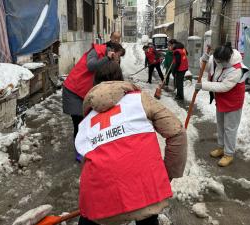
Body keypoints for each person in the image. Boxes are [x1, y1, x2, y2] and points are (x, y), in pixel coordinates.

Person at [75, 61, 187, 225]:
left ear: (95, 82)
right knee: (147, 215)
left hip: (99, 201)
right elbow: (177, 132)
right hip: (145, 189)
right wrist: (167, 174)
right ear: (120, 79)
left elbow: (84, 161)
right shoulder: (139, 100)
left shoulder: (86, 120)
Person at [62, 42, 125, 161]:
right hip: (73, 91)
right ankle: (79, 151)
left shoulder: (107, 60)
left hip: (84, 92)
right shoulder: (97, 51)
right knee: (79, 123)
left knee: (88, 121)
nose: (118, 58)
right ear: (113, 51)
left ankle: (89, 146)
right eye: (118, 55)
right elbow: (91, 66)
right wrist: (107, 58)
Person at [194, 42, 249, 167]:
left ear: (227, 59)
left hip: (233, 100)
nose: (217, 62)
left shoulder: (236, 69)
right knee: (220, 125)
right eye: (216, 60)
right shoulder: (218, 58)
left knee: (230, 128)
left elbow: (224, 86)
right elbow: (207, 67)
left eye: (219, 61)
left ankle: (228, 154)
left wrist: (203, 85)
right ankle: (221, 147)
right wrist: (204, 59)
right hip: (221, 99)